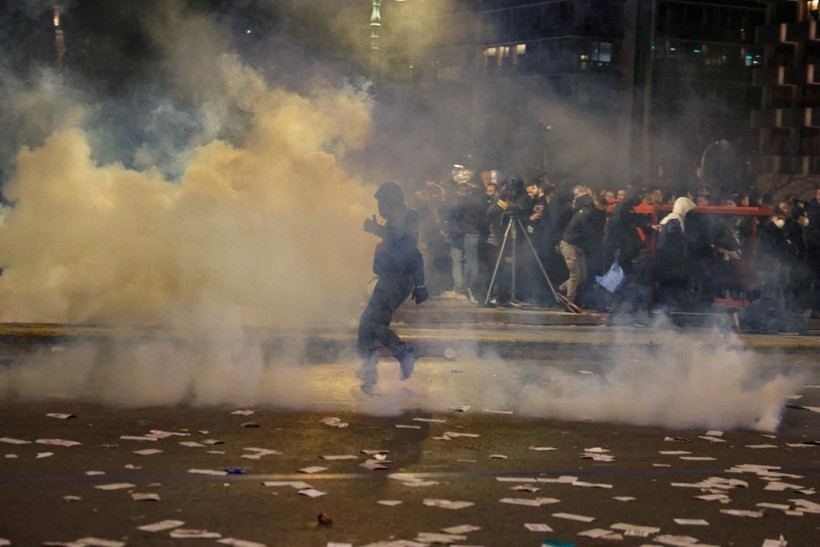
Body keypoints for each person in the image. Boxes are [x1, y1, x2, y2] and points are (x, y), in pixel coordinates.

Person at [357, 182, 428, 395]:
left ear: (391, 200)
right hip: (391, 278)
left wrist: (421, 283)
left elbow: (408, 249)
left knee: (371, 322)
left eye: (381, 201)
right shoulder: (397, 220)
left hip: (396, 279)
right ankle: (370, 371)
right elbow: (395, 240)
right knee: (368, 323)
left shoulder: (406, 217)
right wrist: (377, 229)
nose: (379, 206)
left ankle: (403, 352)